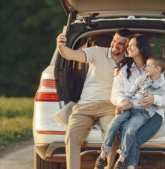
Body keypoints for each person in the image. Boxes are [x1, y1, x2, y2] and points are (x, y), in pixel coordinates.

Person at [56, 27, 132, 169]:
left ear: (127, 46)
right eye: (115, 40)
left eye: (121, 43)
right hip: (85, 105)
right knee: (72, 134)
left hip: (110, 107)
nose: (116, 45)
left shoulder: (129, 64)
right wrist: (60, 44)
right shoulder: (97, 52)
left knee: (113, 136)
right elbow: (69, 54)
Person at [95, 34, 165, 169]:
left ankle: (123, 163)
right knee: (124, 129)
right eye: (127, 46)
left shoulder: (155, 69)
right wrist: (122, 102)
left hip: (153, 114)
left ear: (141, 48)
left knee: (131, 136)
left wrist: (154, 99)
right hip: (130, 109)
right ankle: (119, 162)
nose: (128, 48)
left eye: (132, 46)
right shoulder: (123, 69)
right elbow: (115, 94)